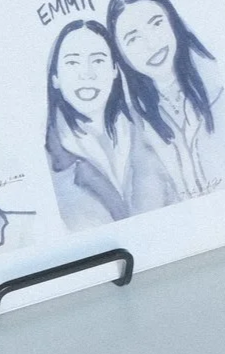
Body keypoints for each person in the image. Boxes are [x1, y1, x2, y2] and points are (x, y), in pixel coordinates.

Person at [43, 18, 178, 229]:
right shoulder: (48, 161)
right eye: (72, 62)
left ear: (115, 70)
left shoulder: (149, 131)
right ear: (55, 78)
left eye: (98, 60)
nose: (87, 73)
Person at [106, 0, 225, 200]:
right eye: (133, 38)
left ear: (173, 21)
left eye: (156, 24)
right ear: (120, 53)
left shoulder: (220, 82)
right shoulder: (128, 124)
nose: (151, 43)